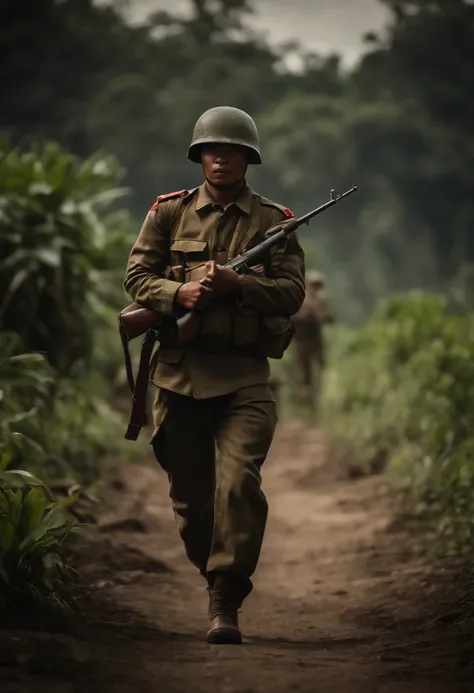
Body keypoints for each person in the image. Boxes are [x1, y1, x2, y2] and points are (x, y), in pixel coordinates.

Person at [124, 106, 305, 644]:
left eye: (231, 150)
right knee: (190, 496)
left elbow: (292, 294)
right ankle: (214, 571)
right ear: (199, 156)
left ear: (248, 158)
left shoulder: (275, 221)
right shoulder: (168, 213)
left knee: (240, 482)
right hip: (179, 374)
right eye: (211, 149)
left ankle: (226, 592)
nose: (220, 157)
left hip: (244, 377)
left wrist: (238, 286)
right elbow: (137, 275)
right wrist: (177, 292)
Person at [291, 269, 334, 413]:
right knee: (304, 374)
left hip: (314, 341)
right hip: (303, 341)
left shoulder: (320, 299)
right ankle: (307, 403)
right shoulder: (302, 298)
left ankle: (317, 401)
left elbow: (325, 318)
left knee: (319, 371)